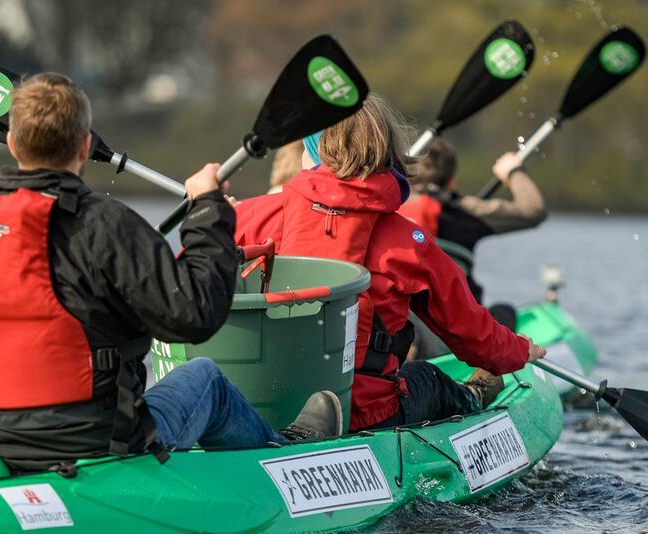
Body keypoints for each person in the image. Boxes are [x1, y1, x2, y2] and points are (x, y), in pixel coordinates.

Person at [0, 73, 341, 471]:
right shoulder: (108, 225)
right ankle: (283, 457)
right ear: (85, 146)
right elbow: (195, 316)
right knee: (204, 377)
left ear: (10, 142)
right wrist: (209, 213)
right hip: (98, 442)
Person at [234, 94, 546, 432]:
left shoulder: (250, 215)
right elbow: (474, 336)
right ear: (388, 153)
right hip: (367, 413)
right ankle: (473, 395)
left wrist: (213, 217)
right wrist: (517, 351)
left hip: (263, 400)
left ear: (312, 153)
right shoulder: (410, 243)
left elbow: (188, 286)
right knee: (425, 377)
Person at [397, 138, 547, 304]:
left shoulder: (391, 206)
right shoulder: (468, 210)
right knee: (504, 309)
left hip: (404, 310)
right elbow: (534, 210)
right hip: (456, 316)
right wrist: (514, 171)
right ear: (451, 181)